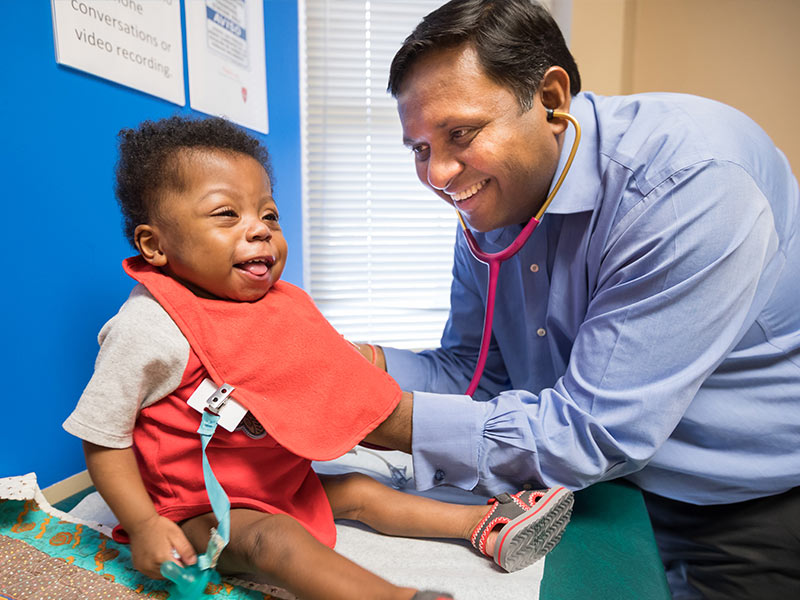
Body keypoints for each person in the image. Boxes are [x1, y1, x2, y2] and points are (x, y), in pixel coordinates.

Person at [354, 1, 800, 598]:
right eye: (418, 148)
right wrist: (360, 368)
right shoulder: (491, 204)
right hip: (609, 489)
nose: (438, 174)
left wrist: (374, 418)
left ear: (550, 97)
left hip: (741, 492)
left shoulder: (689, 184)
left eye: (460, 134)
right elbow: (477, 371)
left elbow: (589, 432)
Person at [63, 115, 574, 600]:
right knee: (277, 540)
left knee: (360, 488)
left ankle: (483, 523)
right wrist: (148, 524)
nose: (260, 229)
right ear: (154, 245)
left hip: (277, 477)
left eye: (269, 214)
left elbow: (328, 381)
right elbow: (102, 436)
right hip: (199, 507)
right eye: (226, 214)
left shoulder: (273, 304)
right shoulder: (150, 326)